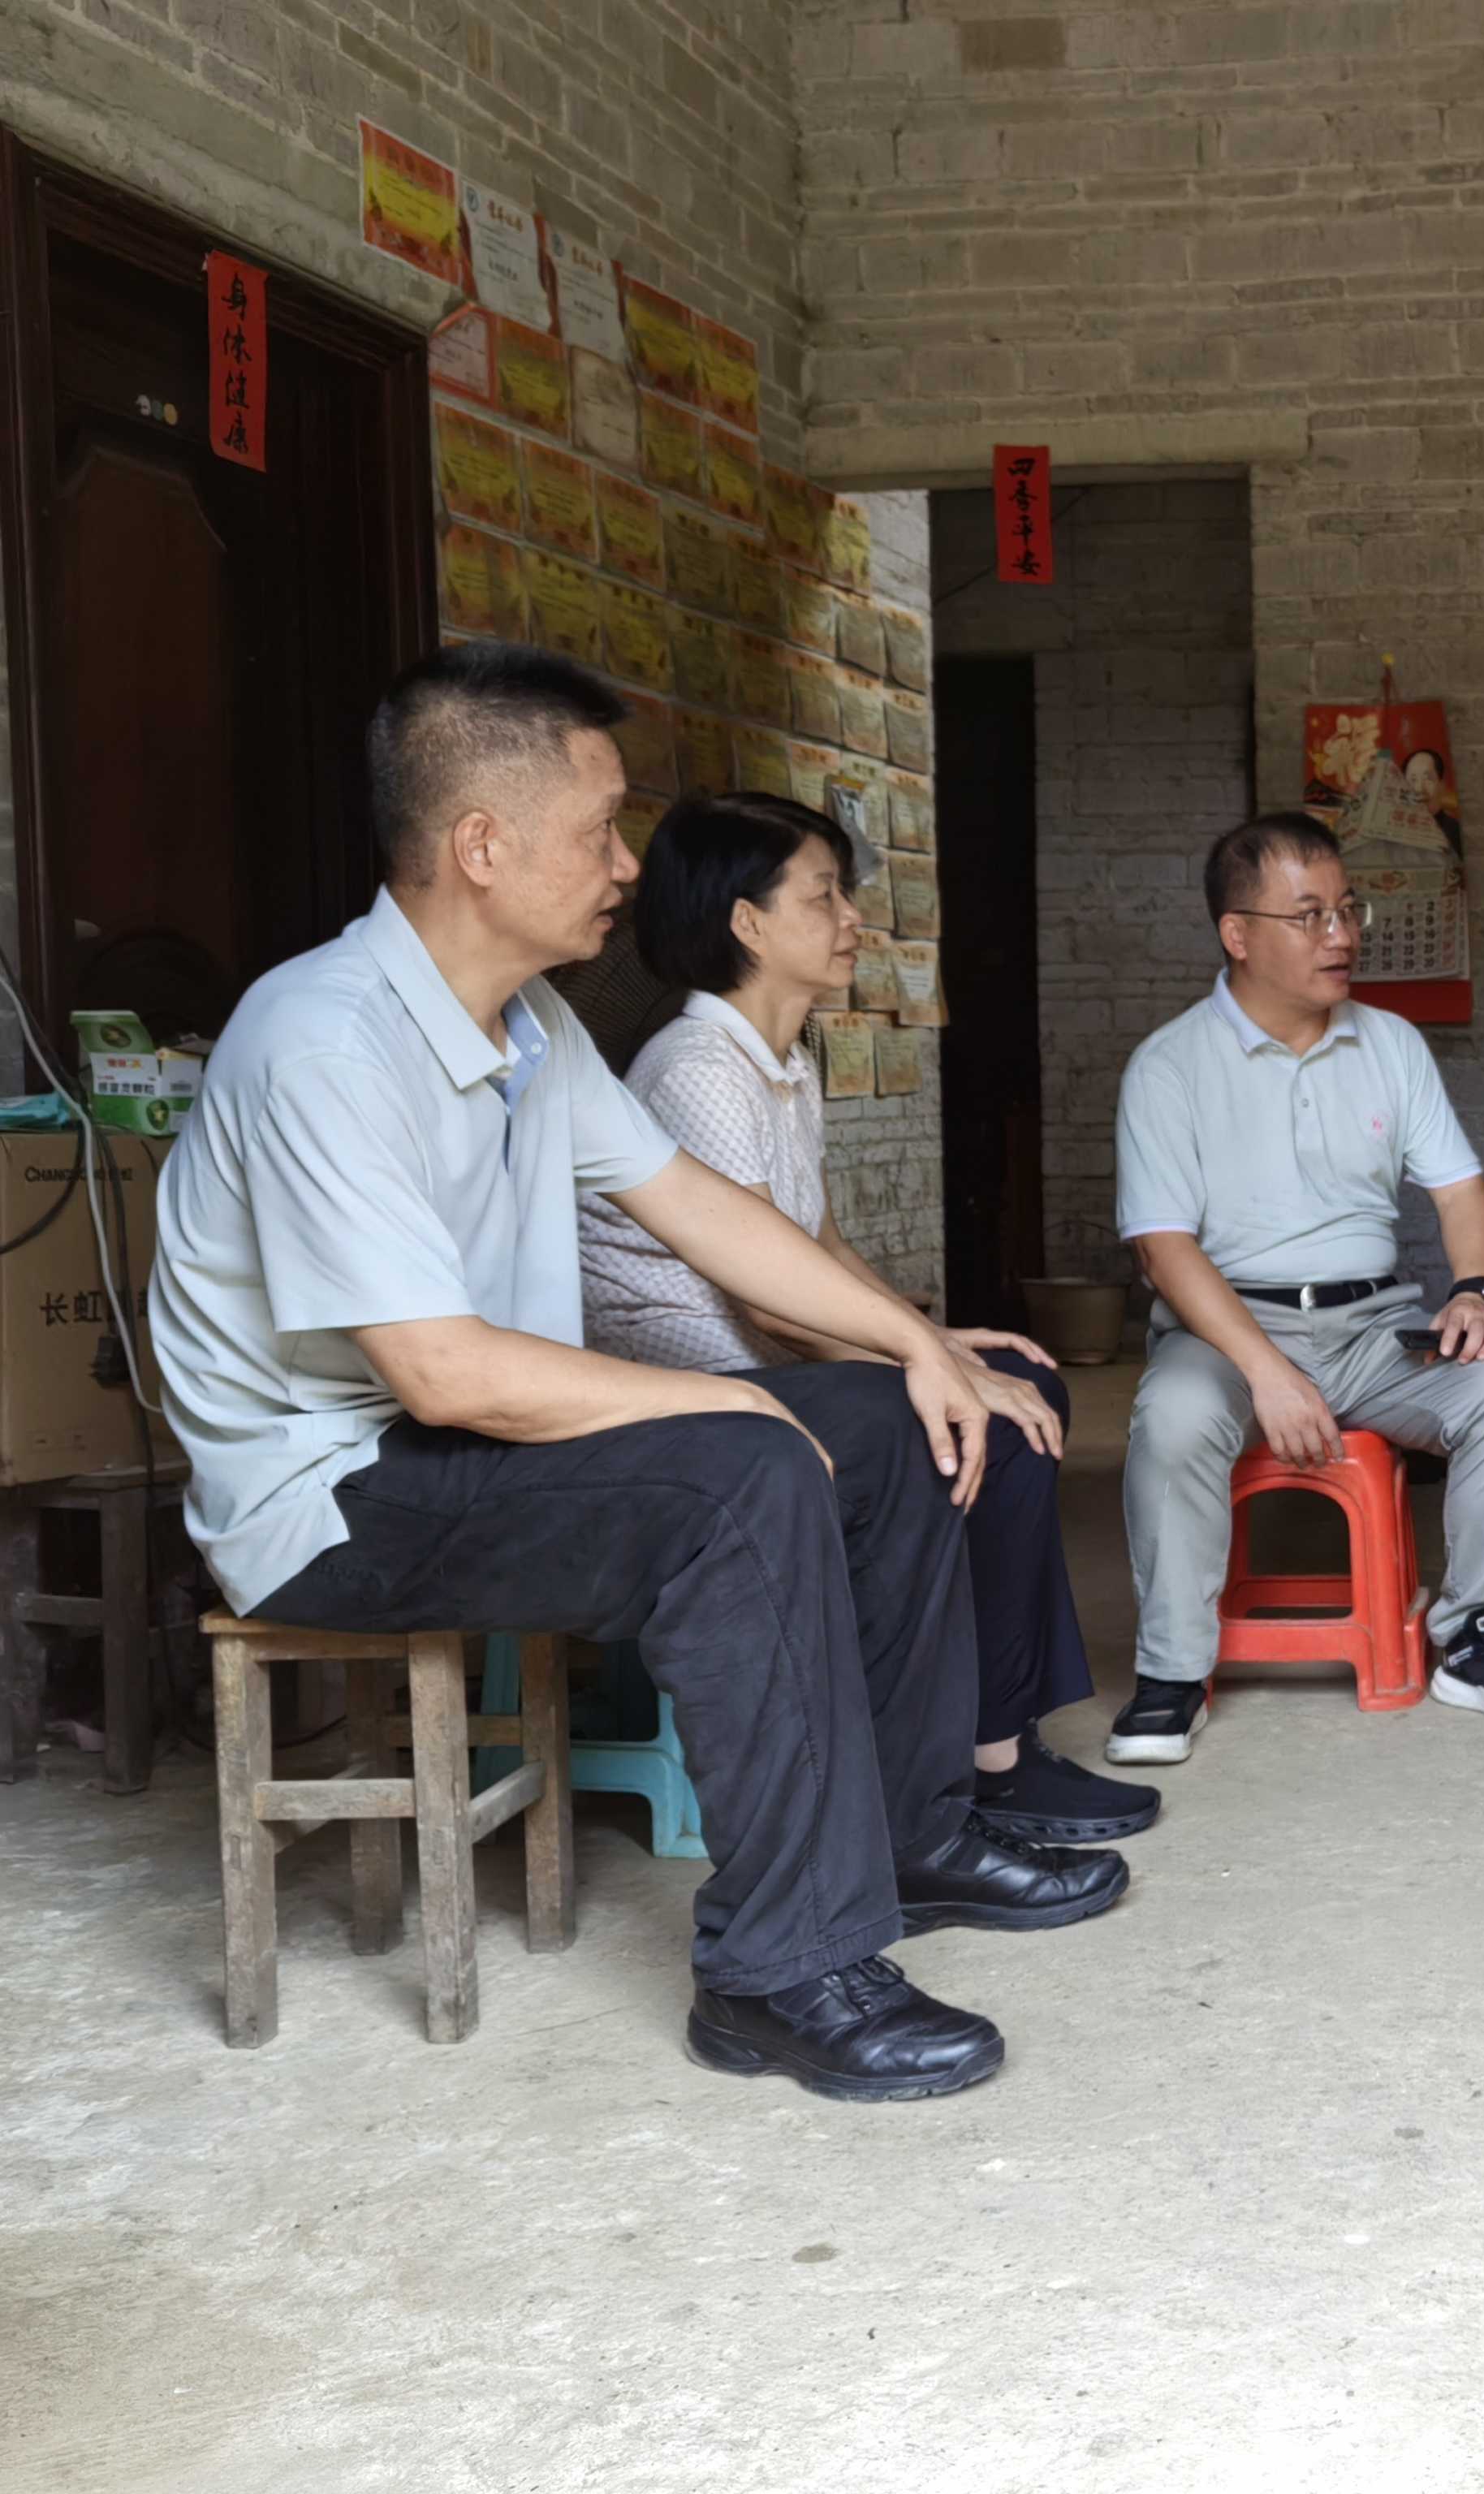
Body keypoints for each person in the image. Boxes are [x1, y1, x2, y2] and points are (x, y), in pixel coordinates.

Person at [150, 645, 1126, 2106]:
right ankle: (779, 1972)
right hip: (332, 1496)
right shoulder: (324, 1041)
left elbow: (699, 1207)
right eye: (602, 828)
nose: (625, 866)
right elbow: (441, 1374)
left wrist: (917, 1344)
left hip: (460, 1450)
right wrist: (729, 1398)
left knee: (884, 1421)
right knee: (738, 1470)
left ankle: (914, 1836)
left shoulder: (530, 1025)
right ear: (482, 845)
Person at [576, 790, 1157, 1847]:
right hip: (698, 1378)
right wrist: (936, 1370)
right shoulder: (697, 1068)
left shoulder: (783, 1061)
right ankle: (986, 1758)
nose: (853, 919)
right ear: (748, 924)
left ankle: (999, 1734)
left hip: (763, 1349)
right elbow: (769, 1300)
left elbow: (822, 1246)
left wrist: (938, 1343)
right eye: (824, 896)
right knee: (987, 1428)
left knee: (1027, 1388)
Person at [1110, 810, 1484, 1761]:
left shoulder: (1390, 1044)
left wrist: (1475, 1292)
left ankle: (1480, 1640)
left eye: (1348, 909)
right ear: (1238, 934)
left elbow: (1462, 1194)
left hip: (1372, 1327)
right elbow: (1164, 1250)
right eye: (1309, 915)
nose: (1342, 935)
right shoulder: (1169, 1066)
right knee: (1176, 1417)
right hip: (1225, 1331)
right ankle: (1171, 1673)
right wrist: (1266, 1371)